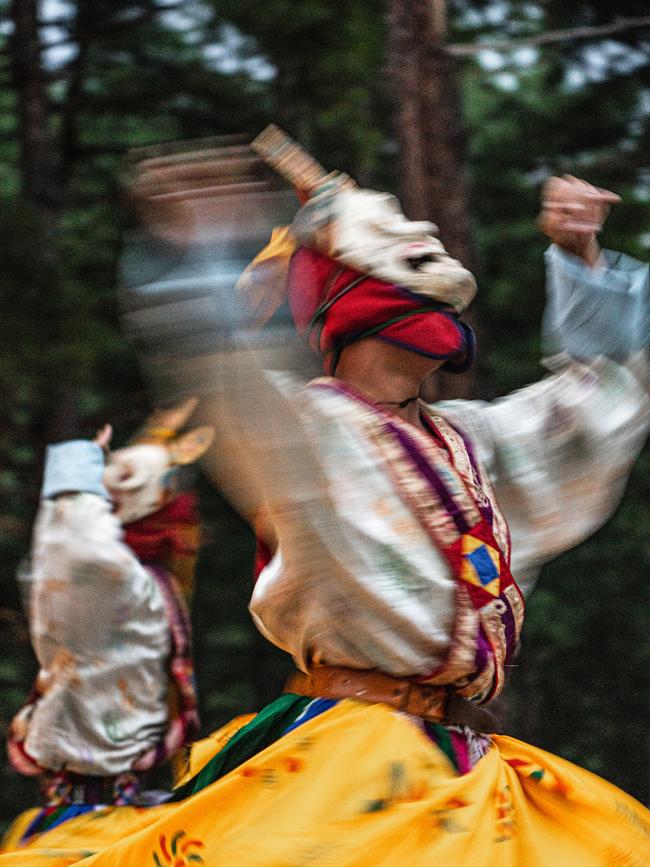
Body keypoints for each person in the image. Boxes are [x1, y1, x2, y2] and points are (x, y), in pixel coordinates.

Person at [2, 133, 649, 865]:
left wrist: (581, 259)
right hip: (349, 755)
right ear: (349, 302)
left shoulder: (473, 439)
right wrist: (202, 243)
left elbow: (595, 410)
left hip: (464, 761)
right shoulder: (307, 431)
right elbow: (230, 375)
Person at [3, 401, 213, 850]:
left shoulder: (124, 587)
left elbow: (76, 546)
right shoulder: (149, 588)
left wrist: (79, 465)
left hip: (85, 826)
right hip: (113, 815)